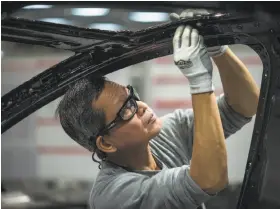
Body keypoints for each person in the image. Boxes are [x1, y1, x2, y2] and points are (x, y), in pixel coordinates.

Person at [56, 10, 260, 209]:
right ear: (106, 143)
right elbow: (209, 180)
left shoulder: (164, 136)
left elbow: (244, 106)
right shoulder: (112, 195)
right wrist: (199, 82)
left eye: (132, 97)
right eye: (126, 110)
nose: (141, 107)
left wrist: (218, 49)